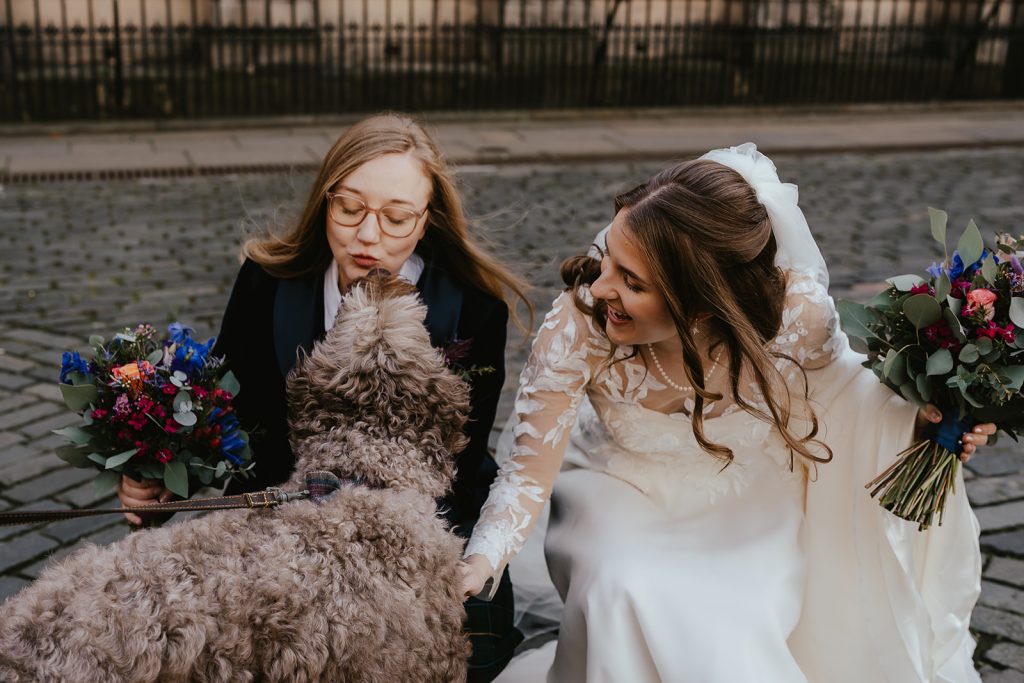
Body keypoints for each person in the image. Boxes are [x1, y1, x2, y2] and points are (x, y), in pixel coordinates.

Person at [460, 143, 994, 682]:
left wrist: (927, 419)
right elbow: (526, 476)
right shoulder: (581, 323)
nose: (601, 288)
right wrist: (481, 559)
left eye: (632, 281)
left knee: (728, 620)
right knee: (621, 583)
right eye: (609, 262)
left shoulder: (797, 316)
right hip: (618, 487)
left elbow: (848, 397)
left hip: (747, 499)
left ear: (702, 300)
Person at [117, 112, 532, 682]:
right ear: (324, 202)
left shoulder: (473, 306)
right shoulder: (268, 282)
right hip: (276, 515)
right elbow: (227, 413)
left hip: (421, 526)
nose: (368, 235)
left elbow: (458, 459)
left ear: (426, 221)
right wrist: (161, 475)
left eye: (396, 217)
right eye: (350, 208)